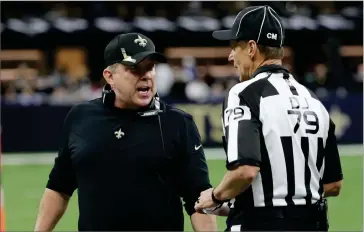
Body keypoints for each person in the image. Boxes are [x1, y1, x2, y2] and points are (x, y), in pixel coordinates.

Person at [34, 32, 217, 231]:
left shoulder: (178, 123)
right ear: (109, 76)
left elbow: (199, 199)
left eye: (150, 67)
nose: (146, 75)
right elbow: (59, 187)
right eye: (135, 69)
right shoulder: (81, 117)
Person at [195, 5, 343, 231]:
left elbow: (245, 171)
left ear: (252, 48)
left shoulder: (243, 93)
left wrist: (215, 197)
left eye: (235, 47)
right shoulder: (313, 100)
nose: (231, 56)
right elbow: (333, 185)